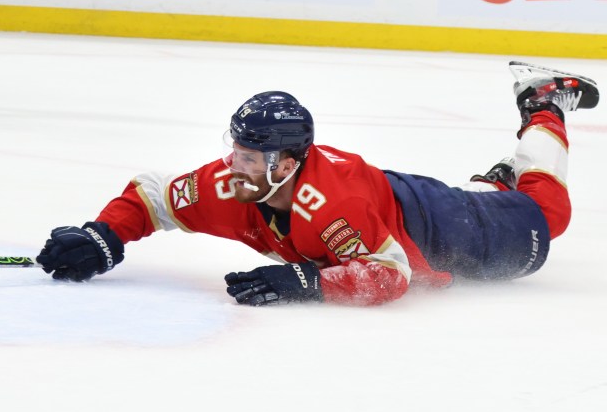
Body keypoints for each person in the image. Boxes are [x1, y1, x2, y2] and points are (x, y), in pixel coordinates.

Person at [35, 62, 600, 306]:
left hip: (422, 221)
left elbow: (390, 275)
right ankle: (493, 187)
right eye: (237, 149)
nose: (237, 165)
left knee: (546, 217)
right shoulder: (231, 184)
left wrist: (308, 283)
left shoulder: (336, 207)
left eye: (253, 156)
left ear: (288, 163)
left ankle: (542, 103)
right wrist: (106, 235)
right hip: (384, 200)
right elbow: (154, 195)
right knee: (510, 212)